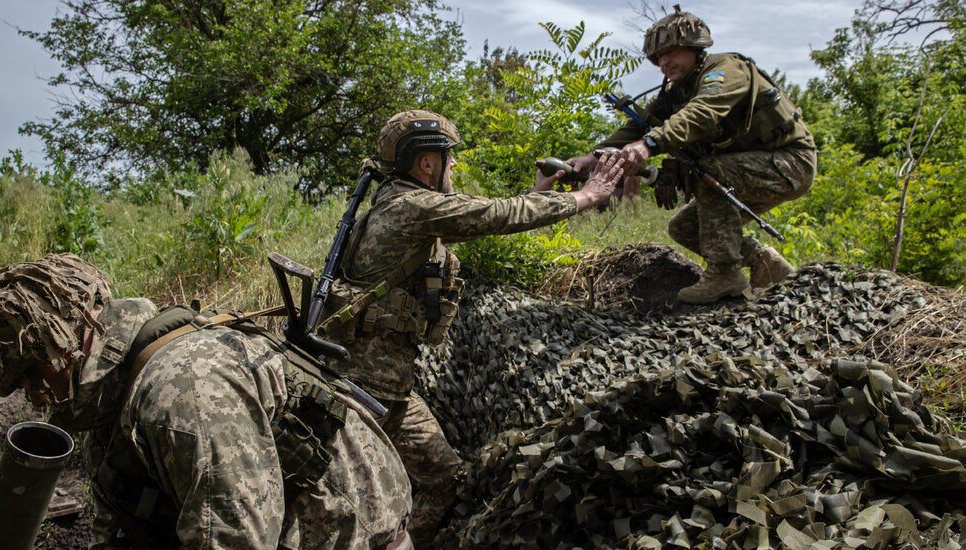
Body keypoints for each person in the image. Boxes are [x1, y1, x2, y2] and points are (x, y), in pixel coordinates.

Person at [317, 109, 626, 544]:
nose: (455, 166)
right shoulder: (411, 206)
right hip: (362, 394)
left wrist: (534, 195)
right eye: (450, 157)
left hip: (391, 389)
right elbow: (495, 216)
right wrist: (588, 196)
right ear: (427, 163)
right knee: (356, 507)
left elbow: (482, 216)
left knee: (444, 475)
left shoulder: (404, 203)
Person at [0, 253, 413, 549]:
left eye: (31, 379)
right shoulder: (112, 395)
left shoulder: (182, 392)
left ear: (61, 347)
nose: (35, 399)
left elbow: (237, 539)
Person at [566, 5, 816, 304]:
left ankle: (725, 274)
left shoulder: (726, 70)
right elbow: (636, 127)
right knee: (684, 228)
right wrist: (591, 157)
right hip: (753, 168)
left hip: (790, 162)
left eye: (671, 52)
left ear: (695, 48)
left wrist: (649, 145)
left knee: (712, 170)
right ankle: (762, 260)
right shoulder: (675, 93)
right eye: (658, 57)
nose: (664, 62)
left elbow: (701, 114)